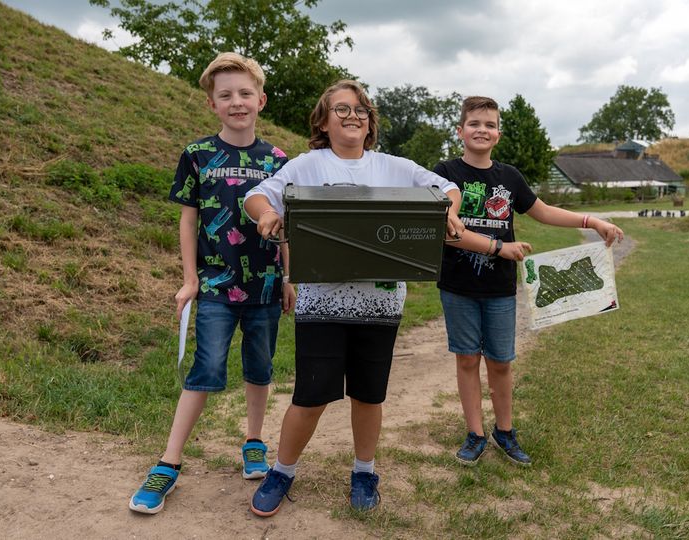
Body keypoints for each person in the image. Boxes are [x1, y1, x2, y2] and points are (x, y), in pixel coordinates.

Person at [243, 79, 466, 516]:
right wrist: (268, 213)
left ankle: (365, 470)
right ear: (323, 122)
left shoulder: (395, 167)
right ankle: (282, 471)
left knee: (370, 395)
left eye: (361, 109)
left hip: (381, 306)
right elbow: (255, 195)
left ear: (371, 124)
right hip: (320, 305)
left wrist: (451, 212)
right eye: (341, 109)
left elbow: (446, 189)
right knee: (310, 397)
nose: (353, 116)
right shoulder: (307, 165)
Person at [128, 52, 295, 514]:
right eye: (226, 95)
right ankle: (168, 463)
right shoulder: (197, 155)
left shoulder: (280, 160)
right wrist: (189, 281)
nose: (236, 102)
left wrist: (288, 277)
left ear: (260, 99)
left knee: (260, 369)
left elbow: (287, 224)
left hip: (263, 288)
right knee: (206, 370)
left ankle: (254, 442)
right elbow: (187, 222)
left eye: (245, 93)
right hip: (217, 288)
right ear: (212, 104)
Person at [434, 96, 623, 467]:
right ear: (460, 131)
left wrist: (591, 221)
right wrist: (498, 247)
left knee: (501, 362)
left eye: (489, 125)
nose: (481, 130)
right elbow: (445, 227)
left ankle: (504, 431)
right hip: (457, 285)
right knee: (467, 360)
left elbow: (543, 211)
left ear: (498, 134)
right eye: (474, 123)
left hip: (501, 289)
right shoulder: (444, 172)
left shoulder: (510, 177)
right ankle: (474, 434)